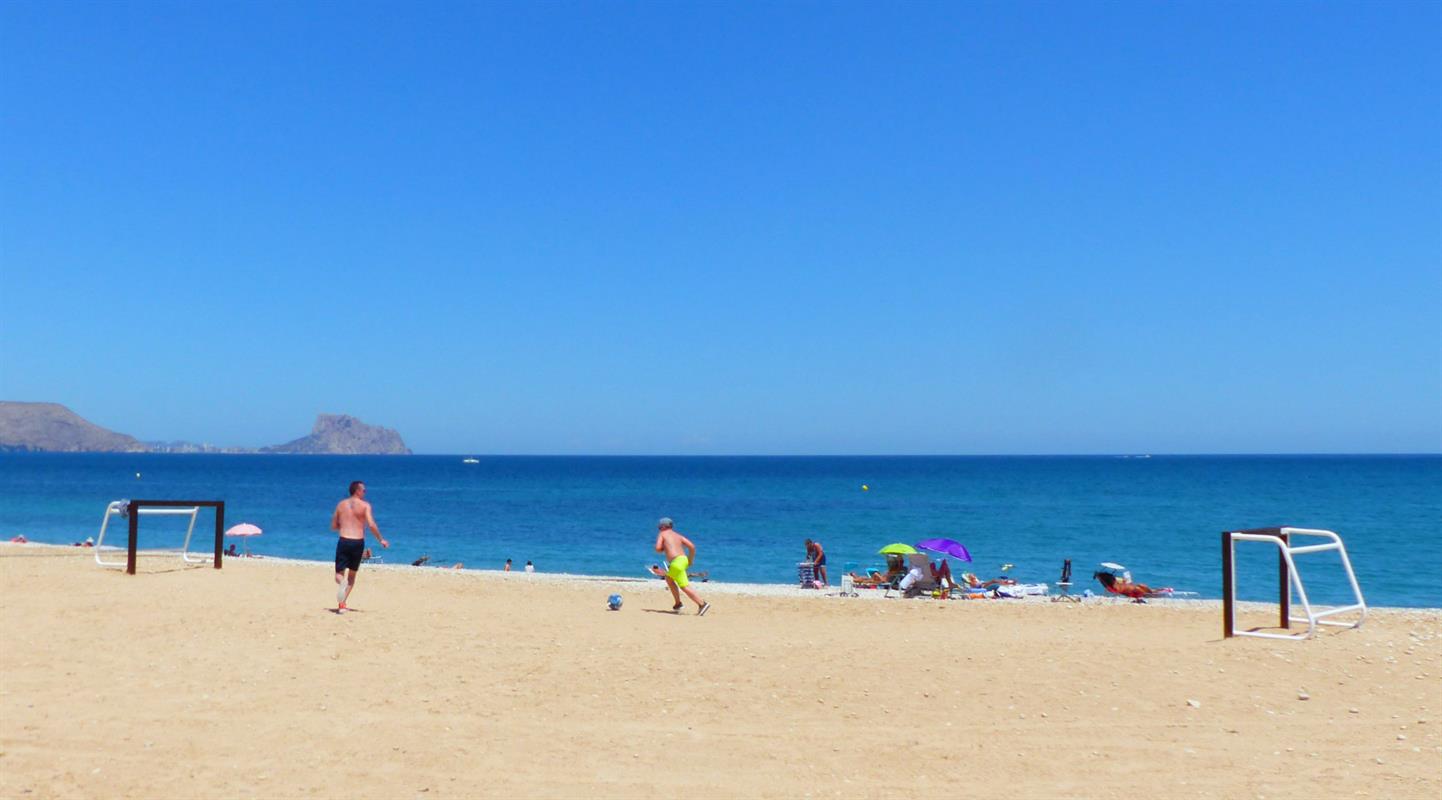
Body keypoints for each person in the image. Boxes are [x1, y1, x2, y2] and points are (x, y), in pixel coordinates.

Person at [330, 480, 388, 613]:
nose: (365, 492)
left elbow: (333, 526)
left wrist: (344, 525)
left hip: (344, 540)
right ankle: (342, 603)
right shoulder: (365, 505)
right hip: (357, 542)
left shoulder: (341, 505)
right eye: (364, 490)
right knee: (351, 576)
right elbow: (372, 525)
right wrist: (381, 540)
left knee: (339, 575)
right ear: (357, 490)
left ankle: (341, 586)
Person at [653, 517, 709, 615]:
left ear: (662, 527)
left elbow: (657, 548)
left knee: (683, 586)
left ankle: (702, 604)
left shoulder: (662, 534)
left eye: (659, 527)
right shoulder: (678, 536)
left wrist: (664, 548)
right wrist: (690, 560)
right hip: (683, 559)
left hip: (676, 562)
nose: (659, 529)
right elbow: (692, 546)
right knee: (669, 579)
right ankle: (678, 603)